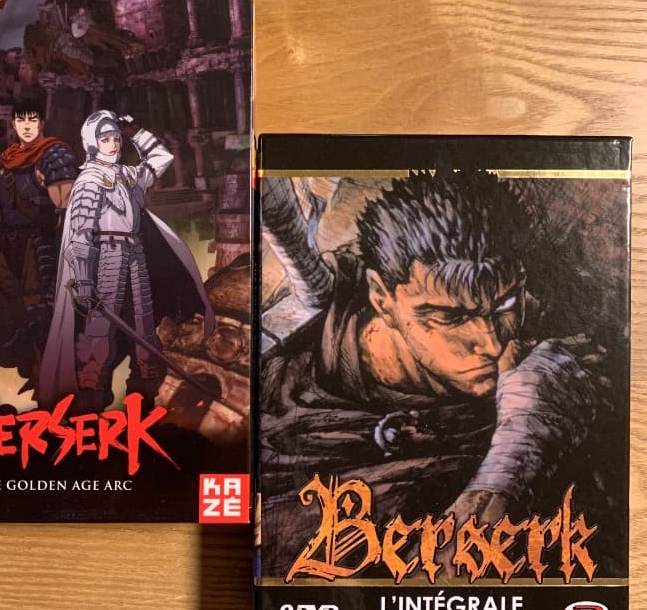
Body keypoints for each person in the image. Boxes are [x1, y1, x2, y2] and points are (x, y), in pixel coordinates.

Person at [260, 170, 609, 575]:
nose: (491, 344)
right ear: (382, 298)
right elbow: (412, 594)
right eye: (450, 317)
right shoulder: (284, 420)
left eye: (504, 305)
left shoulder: (549, 343)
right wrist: (519, 450)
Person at [40, 110, 214, 412]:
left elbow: (161, 158)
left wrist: (136, 133)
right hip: (106, 256)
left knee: (144, 325)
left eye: (116, 138)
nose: (113, 143)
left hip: (135, 253)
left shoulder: (128, 176)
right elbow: (80, 234)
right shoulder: (89, 181)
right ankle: (92, 392)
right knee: (98, 330)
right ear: (92, 143)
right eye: (105, 139)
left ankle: (145, 391)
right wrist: (83, 279)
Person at [0, 98, 78, 397]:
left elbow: (67, 203)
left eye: (32, 120)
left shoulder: (55, 155)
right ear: (14, 124)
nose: (26, 126)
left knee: (42, 323)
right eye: (21, 120)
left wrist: (52, 183)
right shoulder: (8, 161)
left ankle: (53, 395)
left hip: (42, 248)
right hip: (8, 251)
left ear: (41, 123)